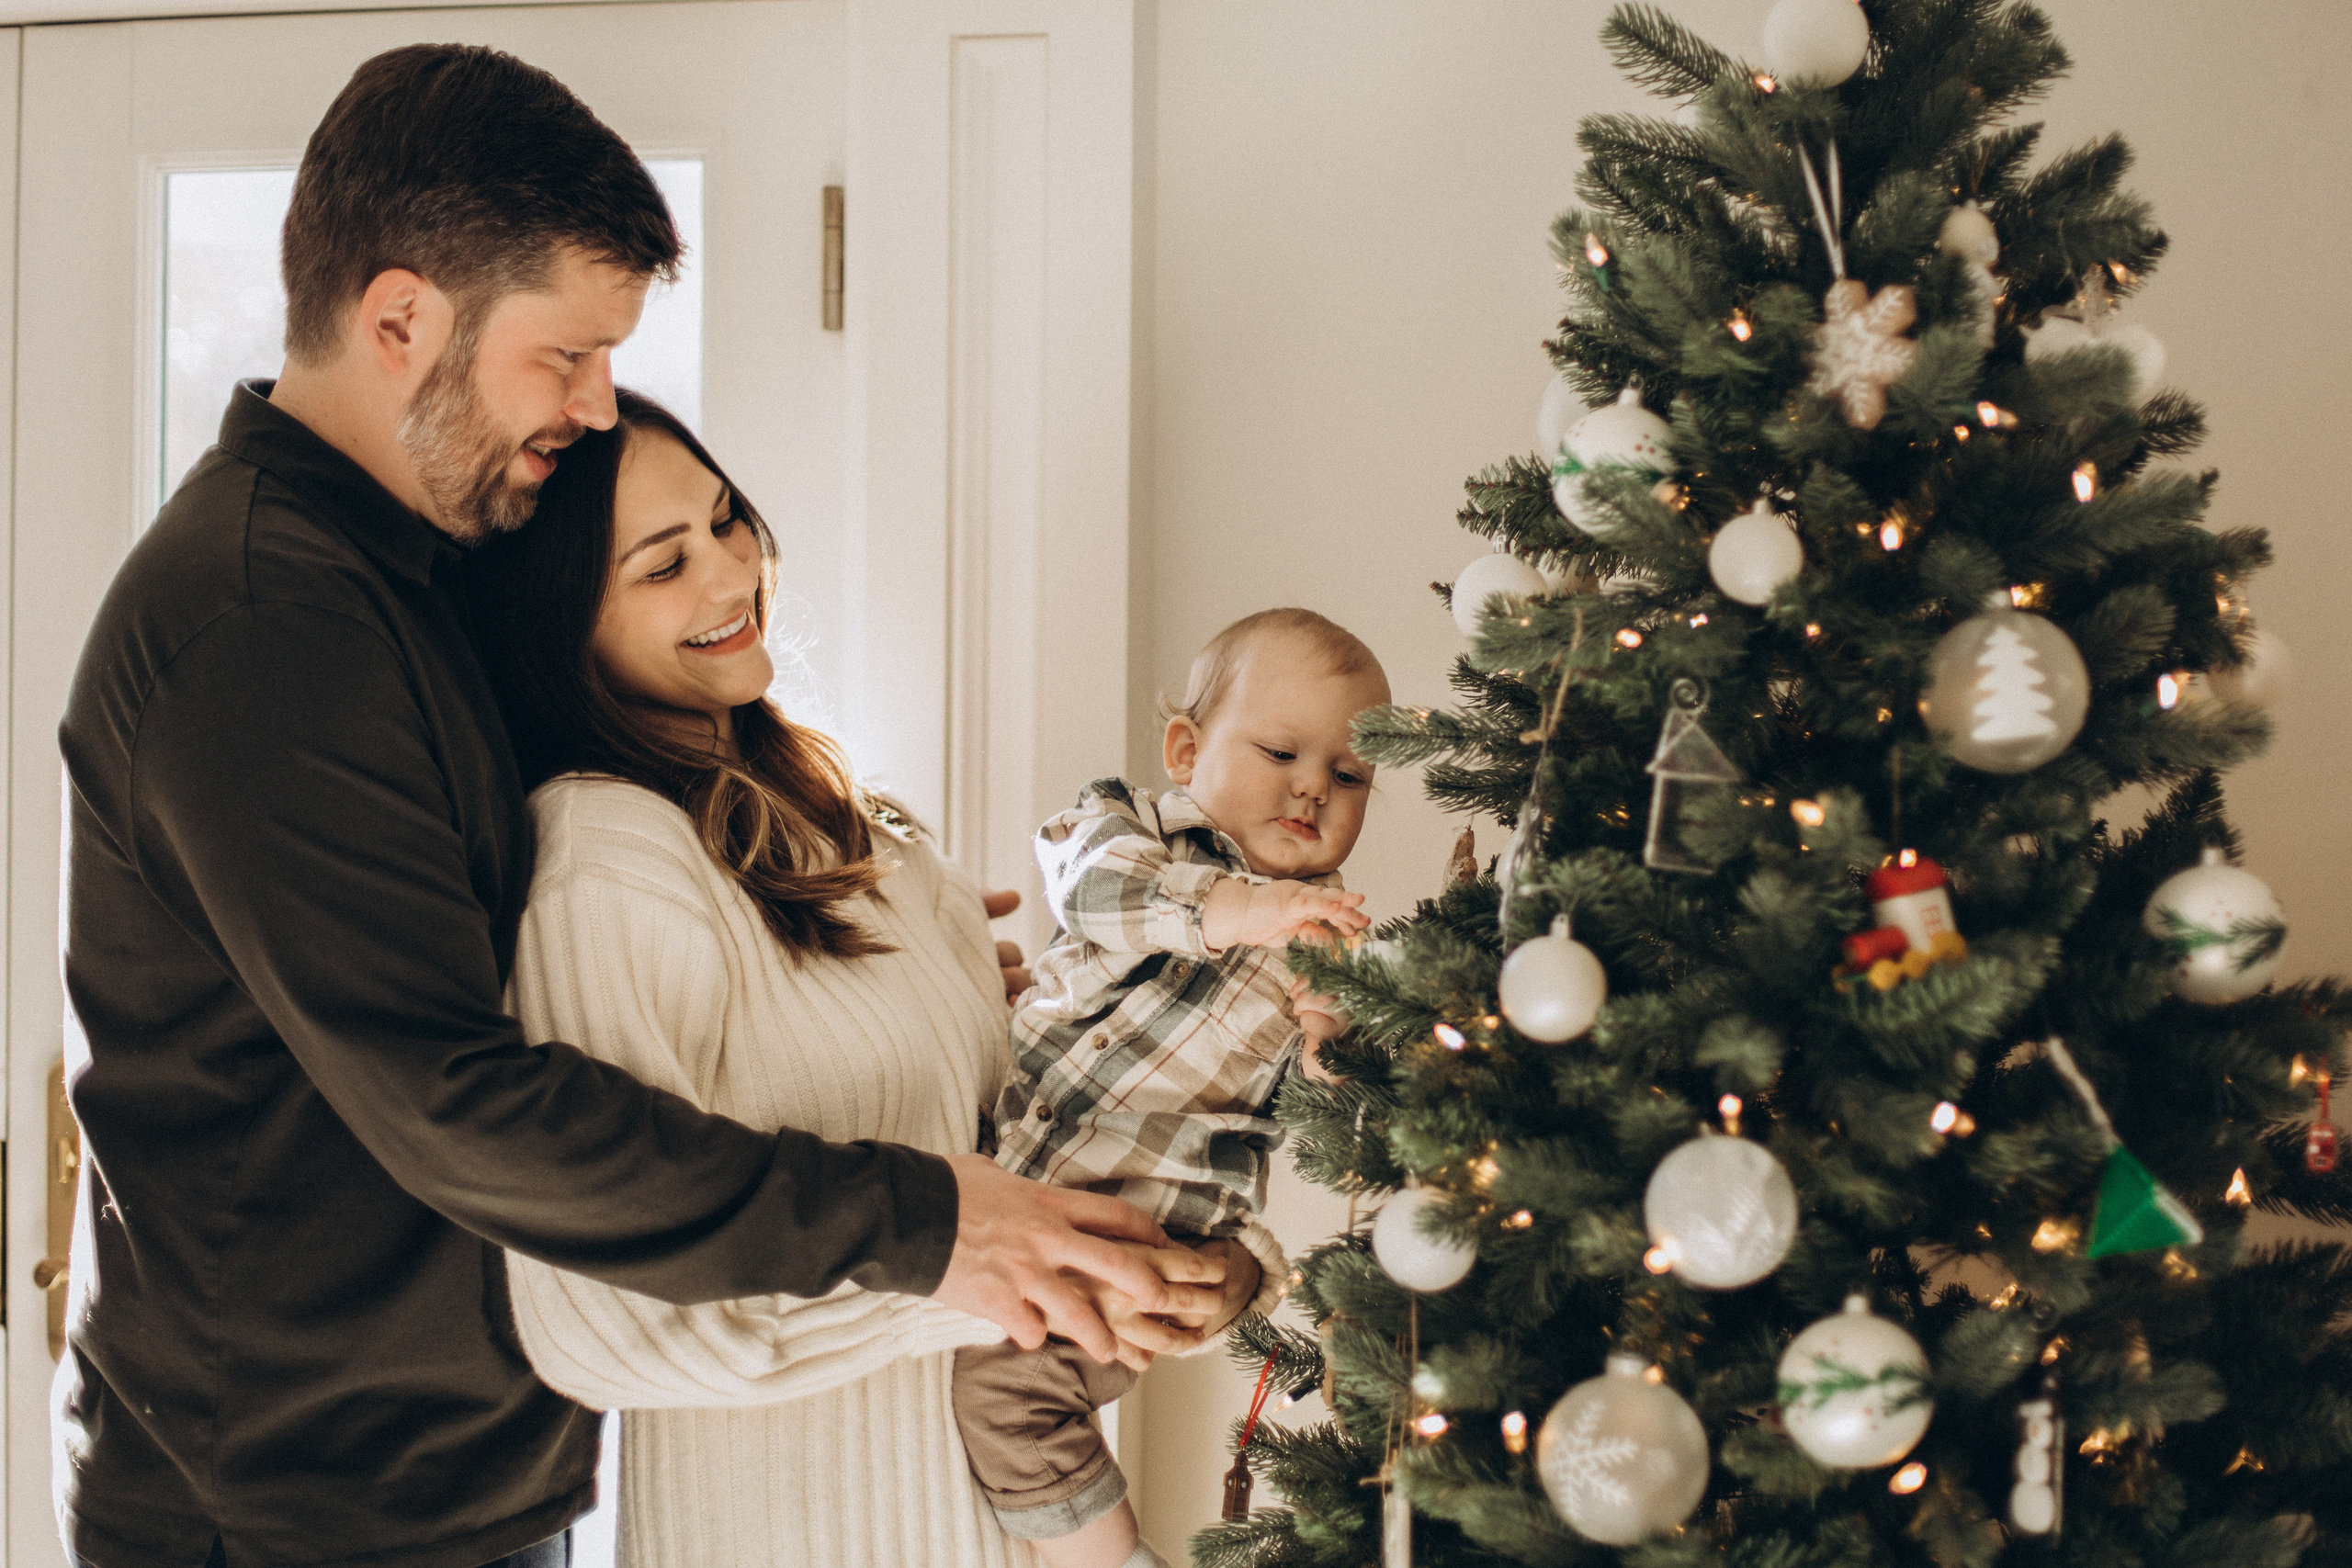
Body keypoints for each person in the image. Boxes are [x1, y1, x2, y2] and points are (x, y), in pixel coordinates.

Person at [54, 44, 1168, 1568]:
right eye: (565, 355)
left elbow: (527, 916)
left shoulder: (411, 576)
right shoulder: (267, 621)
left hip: (443, 1475)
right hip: (295, 1510)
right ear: (399, 319)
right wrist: (925, 1225)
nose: (596, 404)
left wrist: (858, 957)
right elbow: (455, 1092)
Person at [465, 390, 1250, 1566]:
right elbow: (604, 1325)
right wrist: (977, 1271)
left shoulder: (856, 833)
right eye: (664, 565)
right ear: (562, 626)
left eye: (726, 522)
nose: (732, 577)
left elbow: (1020, 1164)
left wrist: (1204, 1263)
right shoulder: (608, 859)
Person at [952, 609, 1391, 1568]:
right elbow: (1091, 889)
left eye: (1350, 775)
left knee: (1013, 1398)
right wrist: (1241, 910)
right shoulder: (1126, 826)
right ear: (1187, 749)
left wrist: (1332, 1038)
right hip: (1006, 1155)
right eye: (1281, 752)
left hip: (1144, 1235)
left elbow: (1325, 1111)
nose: (1314, 787)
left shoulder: (1327, 938)